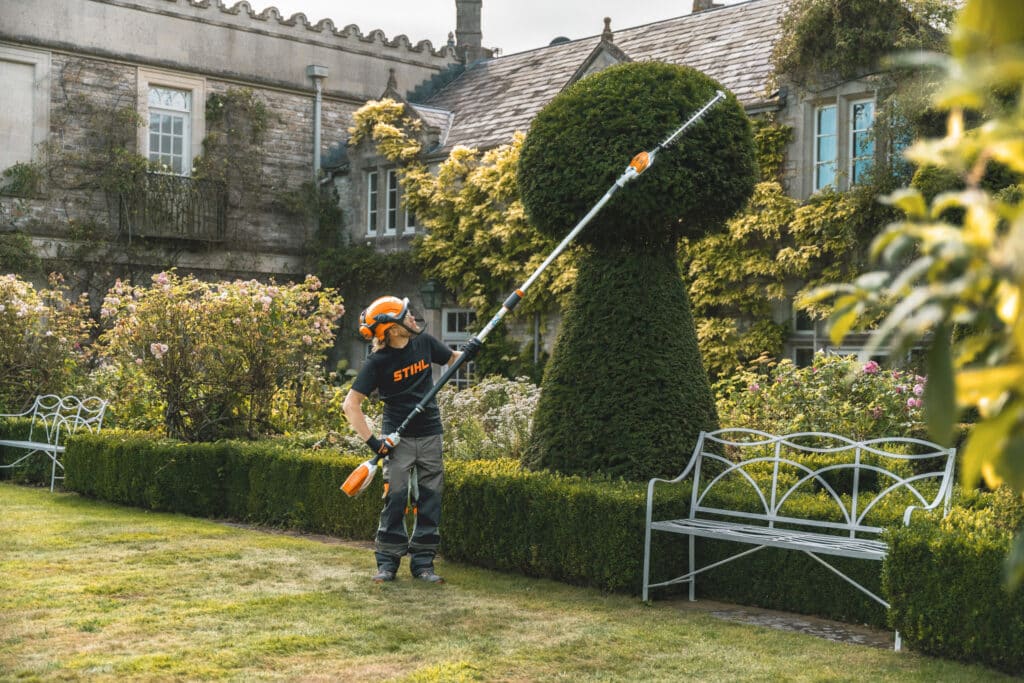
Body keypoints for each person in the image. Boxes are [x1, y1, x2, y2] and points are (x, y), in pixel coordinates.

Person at [343, 295, 461, 584]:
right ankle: (387, 562)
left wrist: (470, 351)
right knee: (396, 497)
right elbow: (350, 404)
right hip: (398, 439)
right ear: (393, 329)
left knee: (430, 499)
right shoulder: (378, 362)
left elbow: (453, 360)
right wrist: (374, 443)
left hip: (431, 433)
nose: (413, 318)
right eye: (407, 316)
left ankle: (423, 564)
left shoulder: (425, 343)